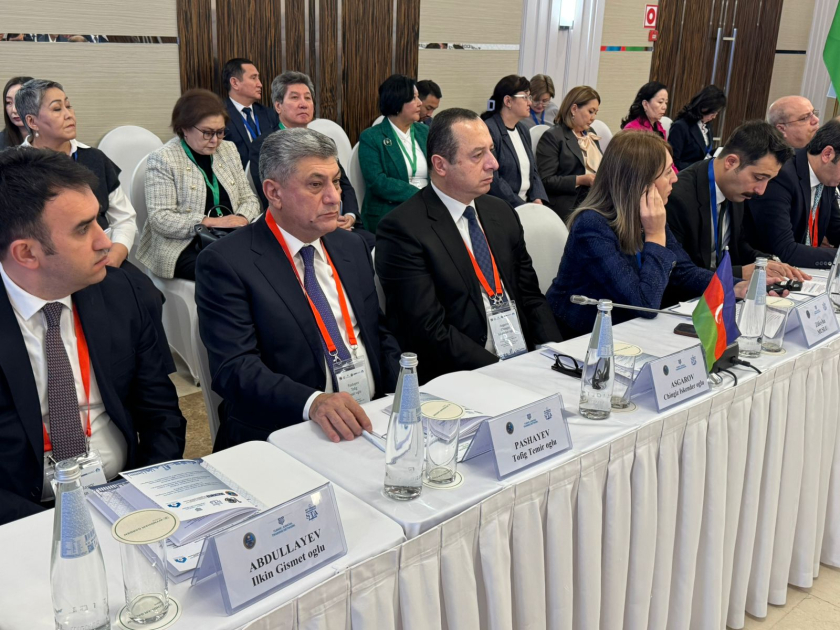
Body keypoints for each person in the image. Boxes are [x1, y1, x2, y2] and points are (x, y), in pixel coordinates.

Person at [0, 148, 186, 525]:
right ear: (27, 253)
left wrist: (142, 496)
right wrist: (49, 529)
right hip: (23, 518)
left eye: (99, 221)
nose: (106, 242)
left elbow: (161, 415)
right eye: (83, 229)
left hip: (126, 495)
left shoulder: (123, 292)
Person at [195, 129, 401, 449]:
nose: (334, 197)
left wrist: (399, 393)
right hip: (286, 431)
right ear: (274, 192)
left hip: (371, 419)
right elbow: (234, 369)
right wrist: (313, 403)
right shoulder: (227, 263)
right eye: (316, 185)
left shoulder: (351, 246)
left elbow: (377, 331)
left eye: (336, 182)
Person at [375, 108, 562, 383]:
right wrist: (503, 372)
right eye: (478, 155)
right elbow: (429, 330)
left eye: (491, 150)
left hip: (522, 360)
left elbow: (530, 295)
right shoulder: (403, 230)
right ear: (440, 165)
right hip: (461, 375)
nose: (493, 164)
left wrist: (552, 352)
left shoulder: (501, 212)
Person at [545, 131, 779, 338]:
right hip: (581, 338)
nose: (675, 178)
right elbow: (644, 303)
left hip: (627, 331)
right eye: (667, 172)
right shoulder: (592, 225)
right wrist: (655, 235)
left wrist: (734, 287)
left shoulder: (646, 214)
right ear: (640, 182)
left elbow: (682, 271)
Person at [138, 89, 261, 281]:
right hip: (184, 245)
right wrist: (211, 222)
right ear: (184, 128)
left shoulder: (228, 149)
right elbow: (160, 219)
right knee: (229, 271)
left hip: (230, 236)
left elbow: (249, 198)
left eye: (220, 132)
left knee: (270, 259)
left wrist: (241, 218)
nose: (215, 140)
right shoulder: (164, 159)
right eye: (207, 133)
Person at [17, 79, 137, 270]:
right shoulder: (15, 168)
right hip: (45, 269)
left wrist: (116, 255)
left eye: (69, 106)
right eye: (57, 109)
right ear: (32, 122)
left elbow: (124, 219)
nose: (69, 115)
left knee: (142, 288)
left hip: (104, 259)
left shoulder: (95, 158)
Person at [667, 120, 803, 281]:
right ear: (731, 162)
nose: (761, 190)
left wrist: (767, 262)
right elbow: (678, 272)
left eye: (769, 180)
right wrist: (738, 274)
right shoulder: (678, 198)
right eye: (759, 178)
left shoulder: (736, 189)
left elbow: (737, 245)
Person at [247, 72, 371, 248]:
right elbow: (271, 197)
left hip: (340, 224)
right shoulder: (265, 145)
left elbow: (343, 183)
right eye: (295, 97)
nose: (303, 104)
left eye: (307, 98)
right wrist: (325, 220)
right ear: (278, 106)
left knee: (377, 246)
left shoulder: (323, 142)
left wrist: (350, 216)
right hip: (299, 229)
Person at [747, 119, 840, 269]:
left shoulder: (827, 176)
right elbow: (784, 250)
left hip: (805, 272)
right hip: (765, 272)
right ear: (827, 154)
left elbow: (836, 229)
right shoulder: (782, 175)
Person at [358, 74, 430, 233]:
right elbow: (377, 181)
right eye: (414, 98)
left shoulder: (424, 132)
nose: (420, 103)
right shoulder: (372, 137)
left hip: (428, 207)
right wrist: (419, 195)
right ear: (397, 101)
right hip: (391, 210)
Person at [481, 75, 548, 209]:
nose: (530, 103)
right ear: (508, 101)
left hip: (527, 204)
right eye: (525, 97)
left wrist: (537, 198)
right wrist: (523, 206)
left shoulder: (523, 129)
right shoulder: (489, 130)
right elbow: (493, 179)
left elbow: (533, 171)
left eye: (530, 97)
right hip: (502, 206)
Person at [535, 85, 602, 220]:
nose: (593, 117)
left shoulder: (590, 133)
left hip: (592, 199)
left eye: (596, 113)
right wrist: (581, 180)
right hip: (568, 203)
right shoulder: (553, 136)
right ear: (574, 109)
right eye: (590, 111)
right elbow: (546, 181)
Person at [222, 58, 279, 167]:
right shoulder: (219, 116)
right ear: (235, 83)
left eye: (258, 78)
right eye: (253, 78)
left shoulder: (270, 114)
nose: (260, 84)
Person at [668, 85, 726, 170]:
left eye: (717, 113)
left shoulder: (707, 125)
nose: (714, 117)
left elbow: (704, 152)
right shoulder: (680, 126)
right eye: (713, 113)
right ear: (704, 107)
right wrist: (699, 168)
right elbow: (673, 162)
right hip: (684, 174)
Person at [1, 75, 33, 149]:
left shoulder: (54, 139)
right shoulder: (2, 142)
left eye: (21, 101)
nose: (14, 110)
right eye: (9, 102)